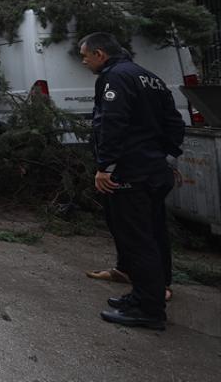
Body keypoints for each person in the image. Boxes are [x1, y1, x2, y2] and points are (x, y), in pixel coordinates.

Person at [79, 32, 183, 330]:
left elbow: (111, 123)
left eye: (85, 55)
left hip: (129, 173)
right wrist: (167, 158)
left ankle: (149, 310)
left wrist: (105, 167)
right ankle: (144, 294)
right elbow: (174, 122)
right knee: (154, 233)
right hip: (153, 170)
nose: (84, 61)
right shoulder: (149, 77)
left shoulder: (114, 78)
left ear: (100, 54)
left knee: (136, 239)